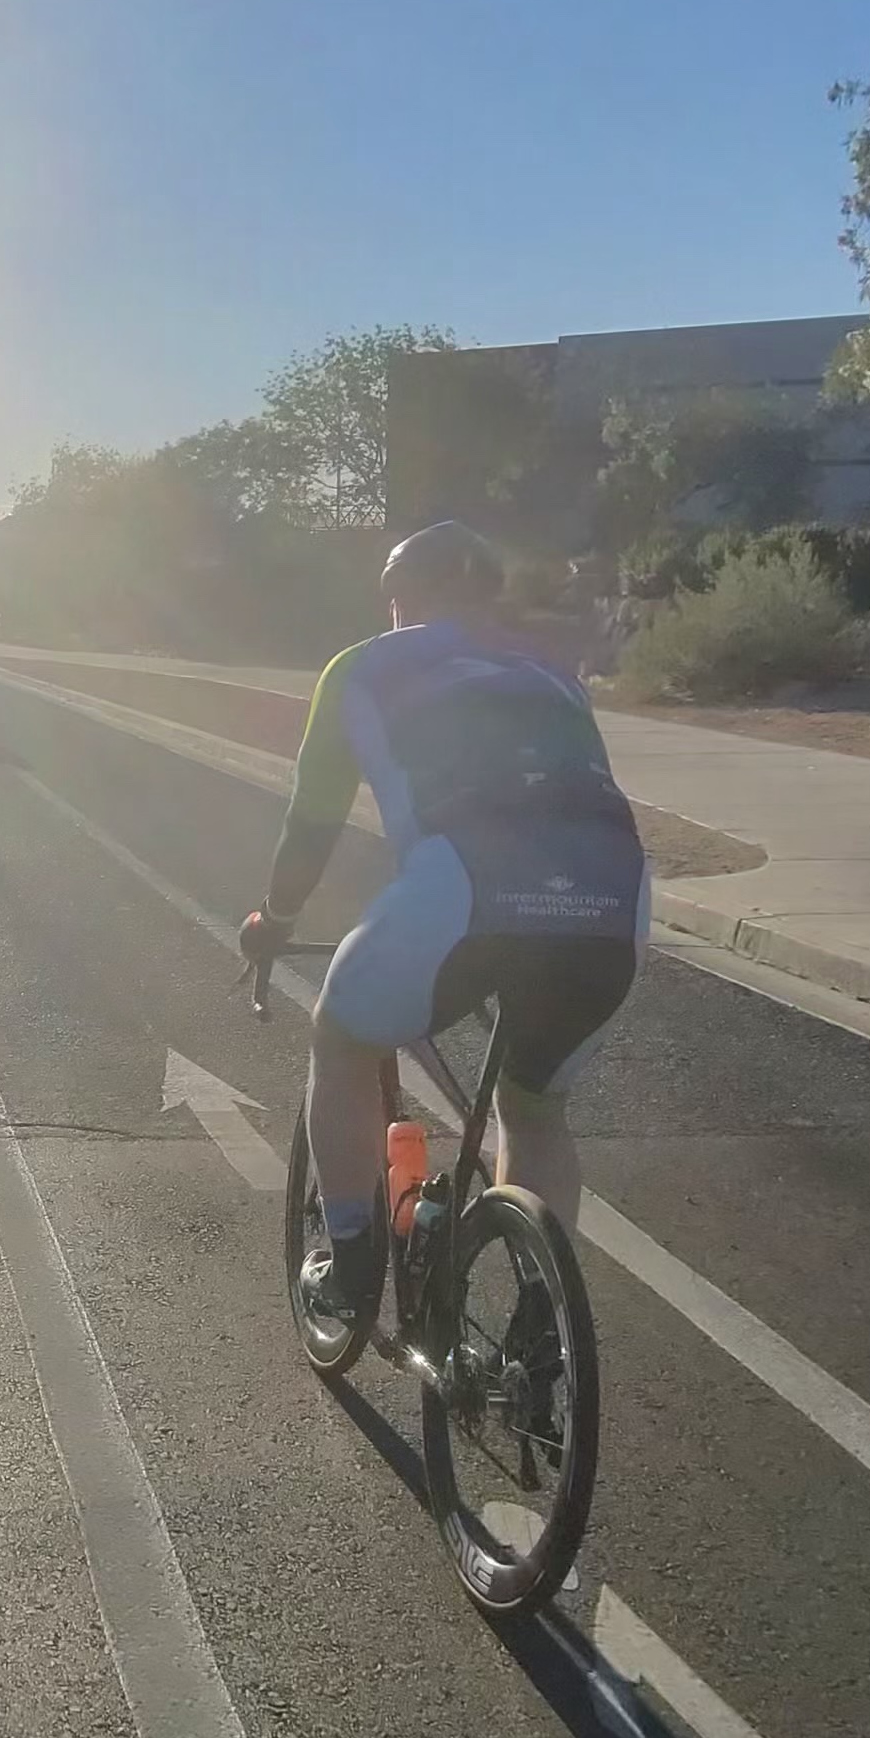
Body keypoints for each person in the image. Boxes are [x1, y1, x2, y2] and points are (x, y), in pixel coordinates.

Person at [239, 523, 645, 1329]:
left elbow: (311, 824)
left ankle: (351, 1265)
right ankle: (542, 1325)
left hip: (464, 890)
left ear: (398, 598)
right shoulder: (552, 672)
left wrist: (275, 919)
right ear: (490, 595)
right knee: (534, 1108)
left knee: (342, 1040)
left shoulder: (360, 667)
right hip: (615, 899)